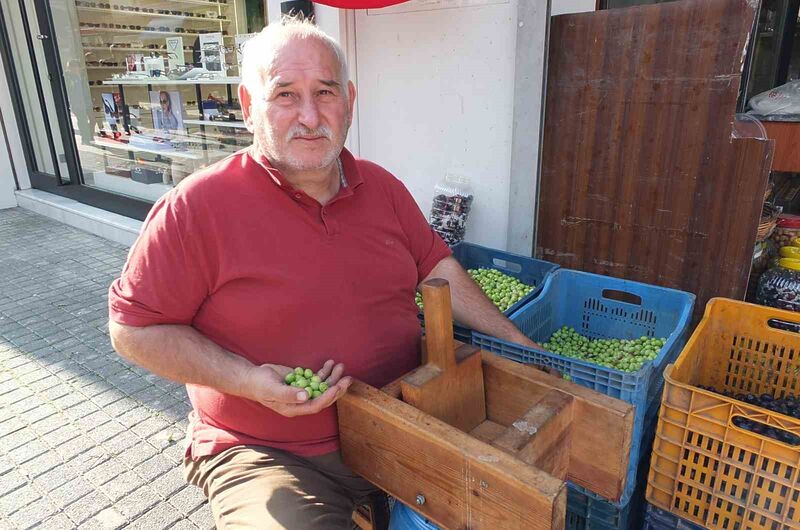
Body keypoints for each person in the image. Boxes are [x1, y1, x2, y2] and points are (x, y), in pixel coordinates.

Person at [108, 16, 538, 529]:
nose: (310, 117)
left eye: (325, 92)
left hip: (404, 424)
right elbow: (134, 330)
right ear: (248, 107)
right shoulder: (197, 207)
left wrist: (521, 346)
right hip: (272, 452)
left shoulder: (382, 187)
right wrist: (247, 380)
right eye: (285, 94)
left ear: (350, 101)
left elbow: (437, 267)